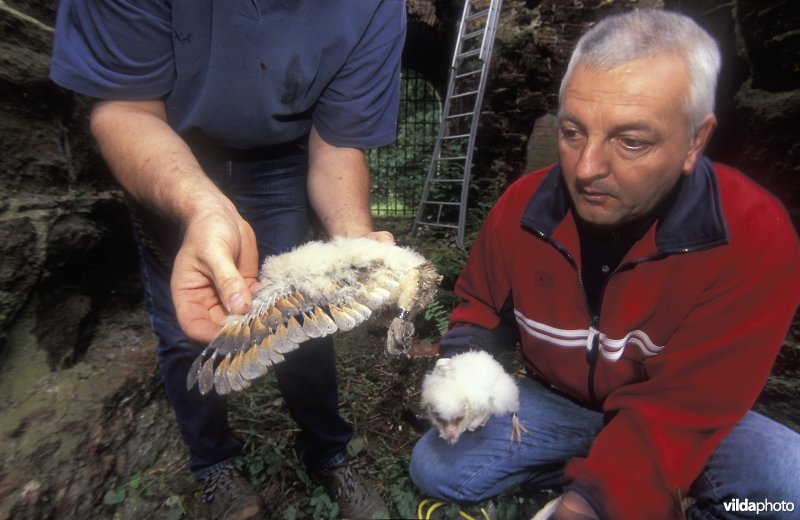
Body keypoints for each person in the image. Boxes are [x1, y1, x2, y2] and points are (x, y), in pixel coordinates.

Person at [409, 9, 800, 520]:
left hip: (681, 416)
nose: (586, 168)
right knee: (438, 467)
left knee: (784, 488)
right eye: (573, 132)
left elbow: (684, 407)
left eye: (630, 141)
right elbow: (479, 304)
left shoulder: (752, 232)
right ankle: (612, 475)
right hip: (562, 403)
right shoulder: (521, 209)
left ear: (695, 141)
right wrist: (459, 371)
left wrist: (590, 504)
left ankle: (614, 483)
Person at [49, 1, 406, 518]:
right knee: (183, 326)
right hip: (170, 150)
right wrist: (201, 207)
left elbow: (338, 144)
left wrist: (352, 242)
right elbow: (124, 107)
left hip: (284, 159)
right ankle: (214, 464)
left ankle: (329, 452)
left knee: (304, 316)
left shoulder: (374, 7)